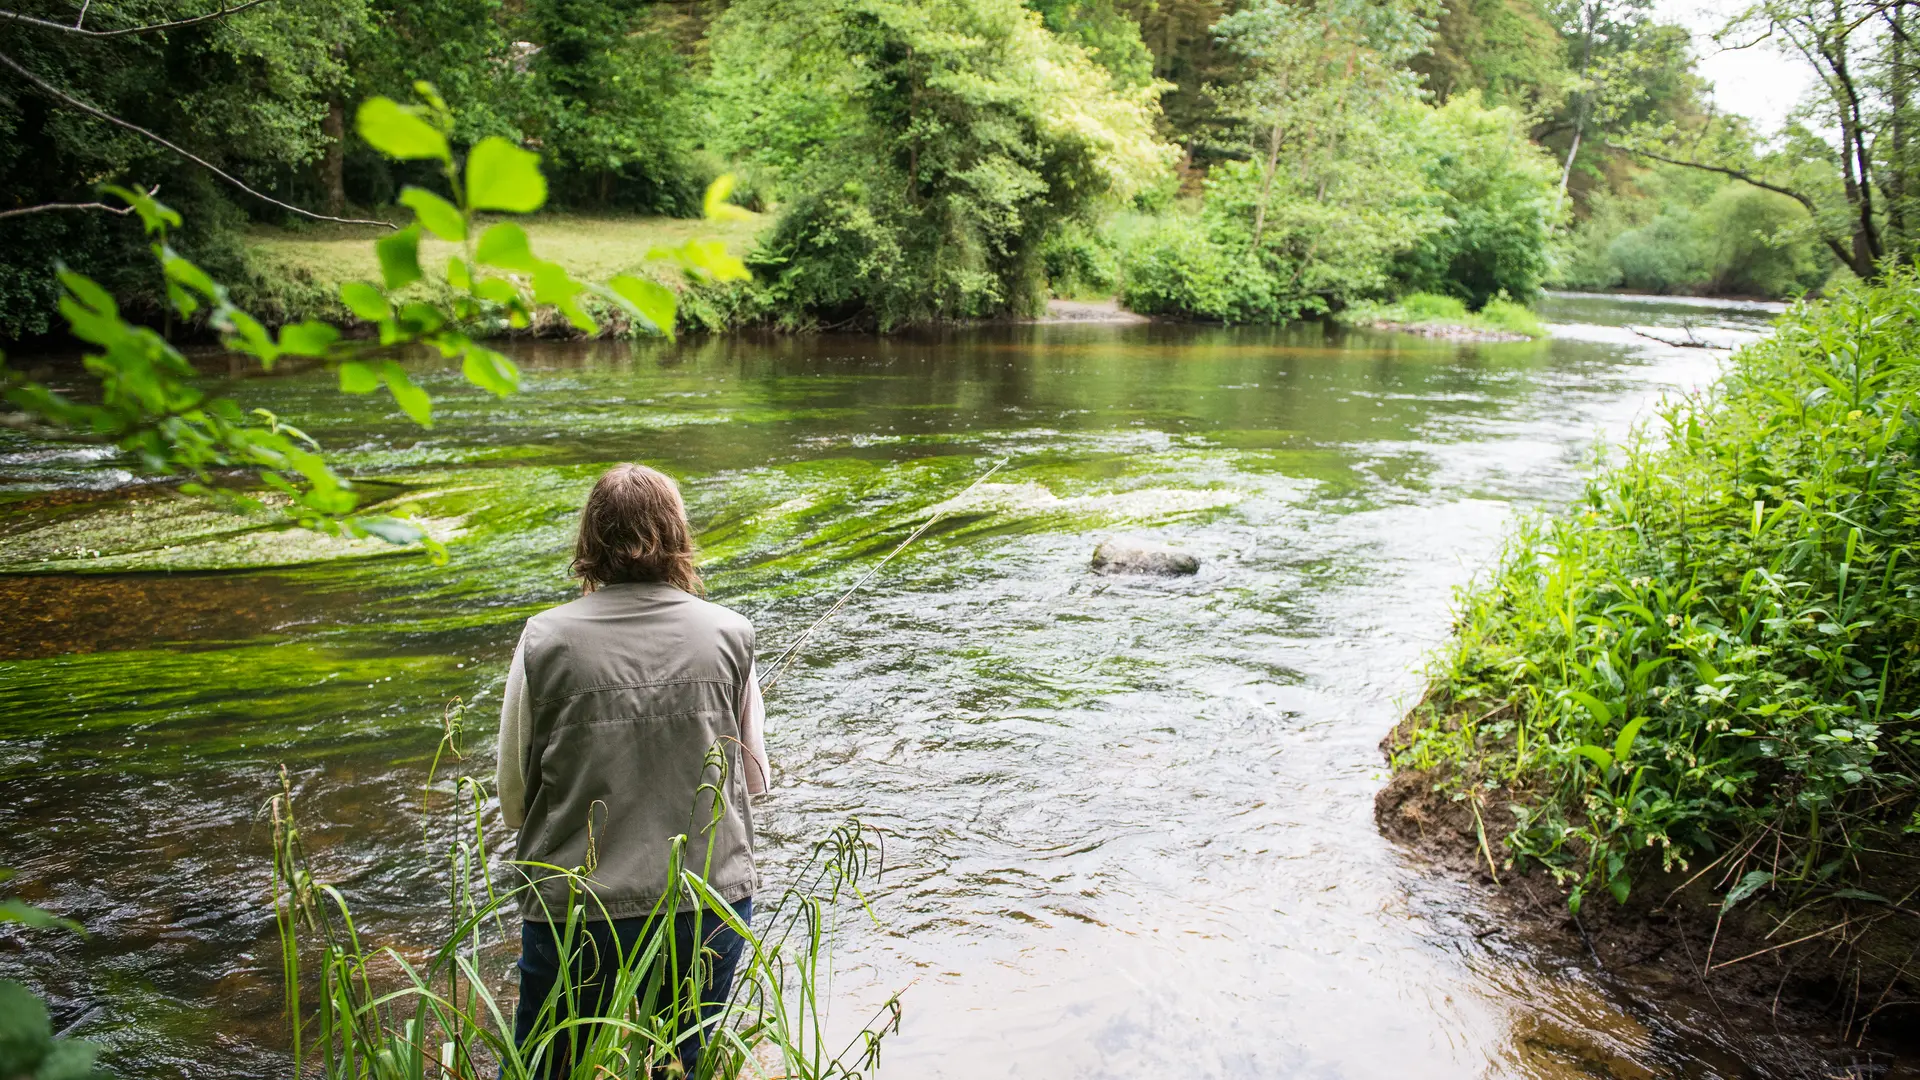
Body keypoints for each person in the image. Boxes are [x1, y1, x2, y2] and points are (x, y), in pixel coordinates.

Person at [495, 463, 770, 1077]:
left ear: (590, 540)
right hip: (705, 901)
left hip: (575, 910)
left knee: (552, 1066)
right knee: (682, 1065)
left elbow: (514, 797)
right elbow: (755, 782)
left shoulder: (543, 640)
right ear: (677, 535)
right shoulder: (731, 633)